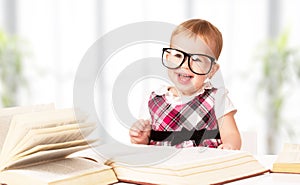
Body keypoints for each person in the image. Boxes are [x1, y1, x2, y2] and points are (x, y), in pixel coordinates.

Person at [129, 19, 241, 150]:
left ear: (211, 70)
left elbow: (231, 134)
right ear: (167, 58)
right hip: (165, 168)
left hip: (203, 167)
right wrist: (141, 138)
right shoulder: (153, 99)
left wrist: (229, 145)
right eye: (178, 55)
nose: (185, 64)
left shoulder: (217, 99)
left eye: (196, 59)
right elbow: (146, 142)